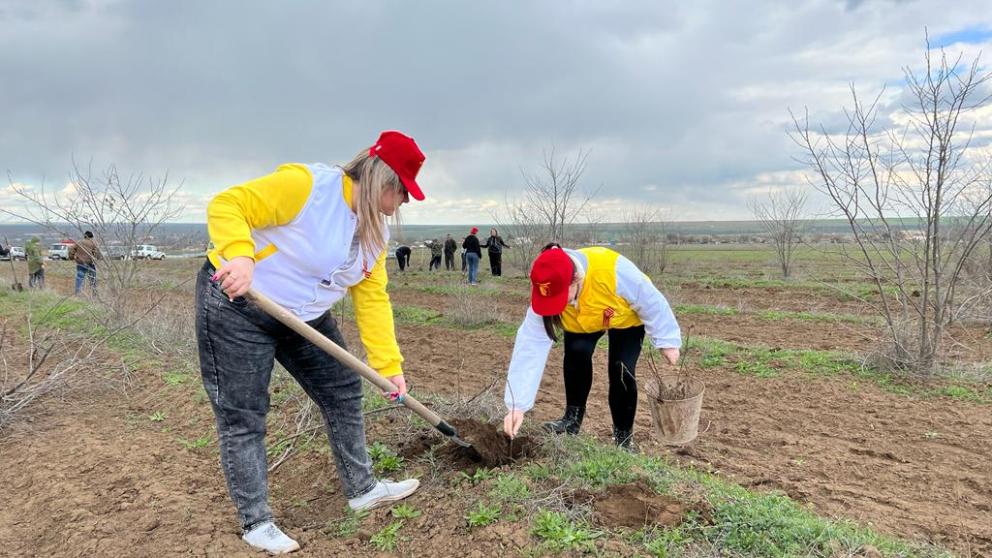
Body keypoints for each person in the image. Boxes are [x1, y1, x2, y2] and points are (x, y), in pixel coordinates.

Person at [198, 130, 425, 554]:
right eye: (404, 193)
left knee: (342, 390)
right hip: (240, 305)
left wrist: (388, 366)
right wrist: (241, 255)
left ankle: (363, 489)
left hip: (303, 317)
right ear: (384, 181)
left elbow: (372, 297)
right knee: (243, 414)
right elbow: (229, 204)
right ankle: (256, 521)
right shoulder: (309, 187)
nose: (404, 204)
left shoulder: (375, 234)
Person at [502, 244, 681, 449]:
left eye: (559, 297)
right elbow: (529, 346)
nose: (554, 305)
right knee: (577, 353)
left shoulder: (615, 271)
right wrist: (517, 405)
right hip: (581, 321)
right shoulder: (547, 284)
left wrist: (667, 341)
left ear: (576, 278)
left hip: (624, 319)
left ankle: (623, 438)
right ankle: (572, 419)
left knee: (621, 368)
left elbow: (651, 301)